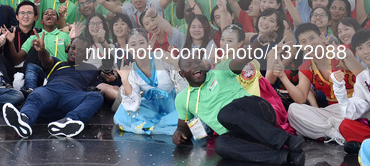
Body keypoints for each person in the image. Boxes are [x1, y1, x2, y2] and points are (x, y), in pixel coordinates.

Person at [174, 56, 305, 166]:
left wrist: (258, 42)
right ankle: (287, 157)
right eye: (189, 65)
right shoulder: (182, 99)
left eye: (198, 62)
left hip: (258, 110)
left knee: (224, 114)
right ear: (181, 73)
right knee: (221, 145)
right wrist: (179, 133)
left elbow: (241, 61)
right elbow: (183, 128)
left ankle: (287, 139)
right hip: (241, 132)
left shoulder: (219, 70)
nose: (196, 66)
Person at [2, 36, 103, 138]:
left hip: (72, 97)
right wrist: (42, 50)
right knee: (37, 93)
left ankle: (69, 122)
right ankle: (24, 121)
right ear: (68, 49)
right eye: (73, 48)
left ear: (87, 55)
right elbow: (46, 60)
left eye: (80, 51)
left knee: (97, 97)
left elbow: (100, 85)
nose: (75, 52)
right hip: (50, 93)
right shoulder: (58, 64)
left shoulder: (92, 69)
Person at [114, 28, 186, 135]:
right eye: (133, 45)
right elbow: (133, 103)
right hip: (151, 107)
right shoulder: (131, 70)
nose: (138, 48)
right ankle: (161, 125)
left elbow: (184, 87)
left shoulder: (161, 57)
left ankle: (156, 125)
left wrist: (175, 64)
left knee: (190, 113)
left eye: (142, 43)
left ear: (148, 44)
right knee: (122, 113)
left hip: (173, 104)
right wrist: (124, 80)